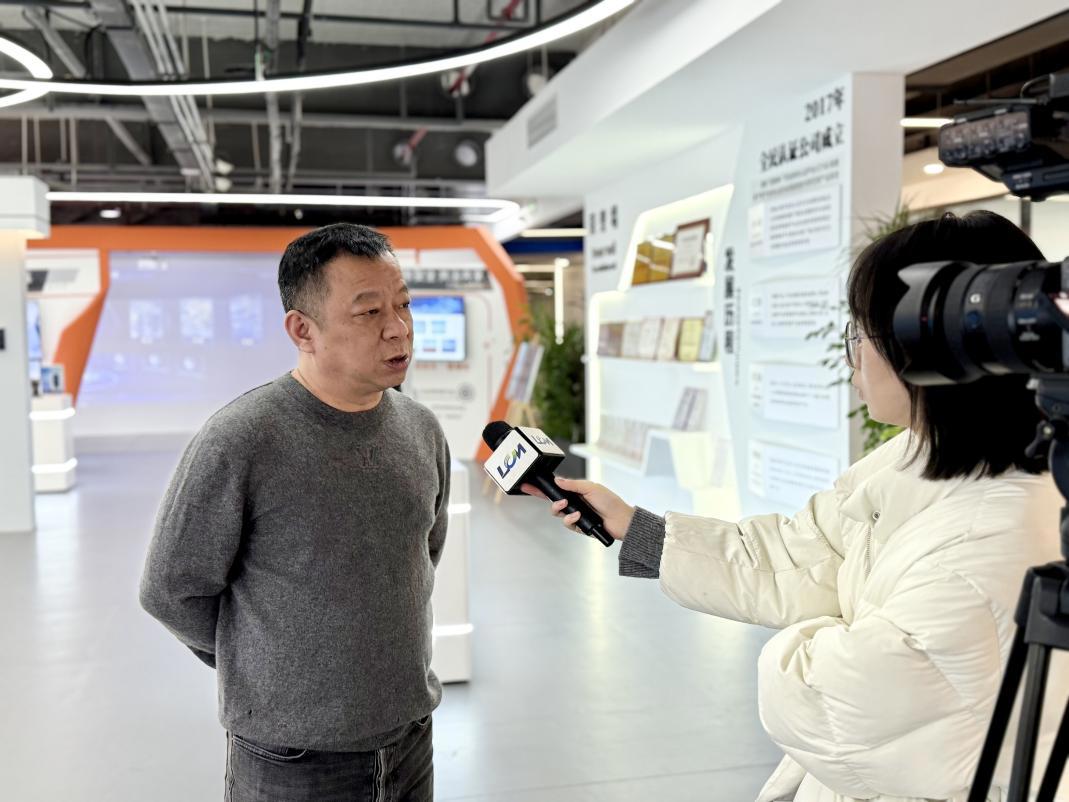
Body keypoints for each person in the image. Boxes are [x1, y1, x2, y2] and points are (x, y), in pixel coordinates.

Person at [526, 211, 1069, 802]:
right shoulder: (919, 455)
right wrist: (639, 530)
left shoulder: (988, 536)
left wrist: (815, 639)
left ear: (932, 346)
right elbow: (803, 551)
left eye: (860, 333)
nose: (851, 355)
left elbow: (832, 704)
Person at [140, 223, 450, 802]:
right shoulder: (241, 439)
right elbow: (171, 588)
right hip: (291, 757)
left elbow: (424, 553)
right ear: (302, 329)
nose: (398, 327)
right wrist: (267, 664)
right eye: (369, 311)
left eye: (404, 304)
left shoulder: (421, 429)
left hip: (410, 735)